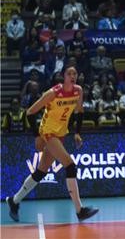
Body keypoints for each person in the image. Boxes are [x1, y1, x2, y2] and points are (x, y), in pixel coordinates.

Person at [5, 66, 99, 222]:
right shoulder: (53, 93)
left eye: (75, 73)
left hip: (60, 133)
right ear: (63, 76)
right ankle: (80, 210)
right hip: (48, 132)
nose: (73, 76)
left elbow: (79, 111)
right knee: (70, 165)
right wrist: (37, 136)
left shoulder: (78, 91)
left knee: (41, 171)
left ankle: (14, 201)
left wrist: (77, 133)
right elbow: (29, 113)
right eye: (69, 73)